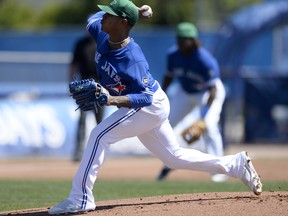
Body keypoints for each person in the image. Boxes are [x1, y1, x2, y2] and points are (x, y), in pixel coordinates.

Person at [48, 0, 262, 214]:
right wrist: (137, 12)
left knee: (98, 135)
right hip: (148, 103)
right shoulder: (102, 31)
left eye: (110, 15)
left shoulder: (133, 59)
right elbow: (91, 19)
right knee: (174, 157)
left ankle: (81, 197)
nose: (103, 17)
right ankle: (235, 165)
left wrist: (110, 100)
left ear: (122, 23)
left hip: (149, 105)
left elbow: (145, 98)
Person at [156, 22, 227, 182]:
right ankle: (169, 162)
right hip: (185, 91)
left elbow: (213, 89)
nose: (181, 42)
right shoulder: (173, 55)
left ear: (193, 40)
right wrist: (161, 95)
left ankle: (219, 170)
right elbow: (168, 77)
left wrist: (204, 117)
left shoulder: (204, 59)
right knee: (165, 122)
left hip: (208, 92)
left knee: (209, 126)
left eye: (184, 39)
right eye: (179, 39)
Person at [68, 32, 104, 162]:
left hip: (100, 85)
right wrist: (70, 84)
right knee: (82, 119)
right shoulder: (81, 43)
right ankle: (79, 150)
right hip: (83, 84)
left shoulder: (102, 42)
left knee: (100, 121)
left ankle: (100, 150)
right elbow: (73, 65)